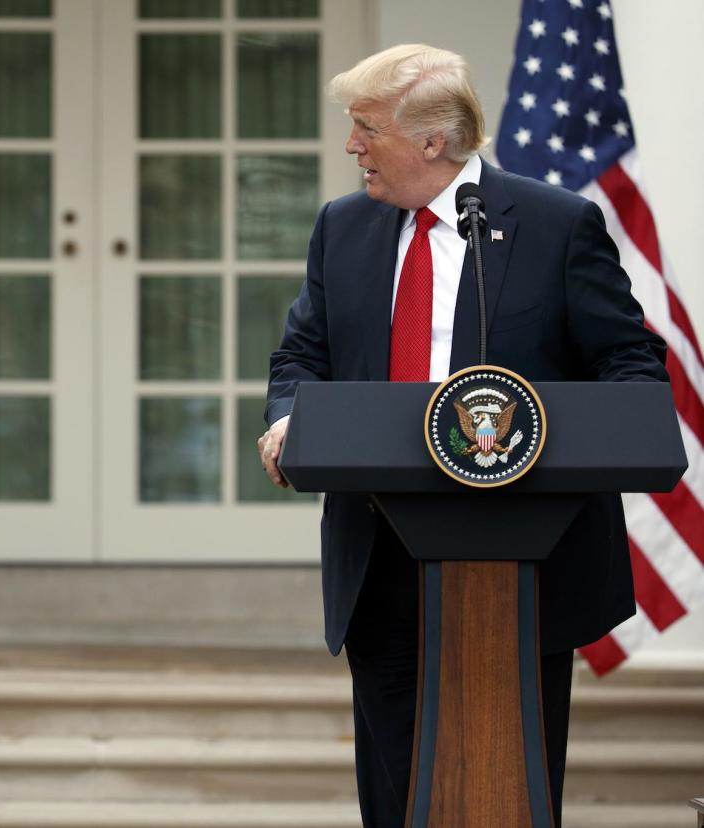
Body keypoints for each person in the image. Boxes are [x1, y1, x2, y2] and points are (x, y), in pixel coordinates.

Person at [256, 44, 666, 828]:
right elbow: (302, 355)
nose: (352, 147)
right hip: (379, 558)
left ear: (433, 142)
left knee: (507, 793)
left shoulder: (556, 225)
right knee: (396, 796)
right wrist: (286, 419)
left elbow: (629, 362)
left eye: (367, 128)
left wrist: (602, 432)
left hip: (523, 568)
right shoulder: (343, 228)